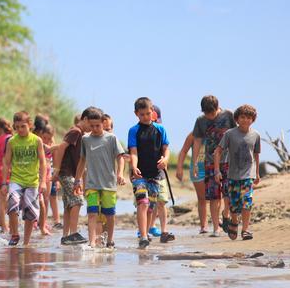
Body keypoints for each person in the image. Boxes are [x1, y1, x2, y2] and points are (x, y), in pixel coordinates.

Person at [75, 108, 126, 248]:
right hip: (91, 184)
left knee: (109, 214)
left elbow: (120, 158)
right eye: (92, 126)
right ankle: (92, 242)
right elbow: (82, 161)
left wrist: (120, 173)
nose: (95, 129)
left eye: (97, 125)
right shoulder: (85, 139)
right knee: (92, 213)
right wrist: (77, 180)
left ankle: (110, 240)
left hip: (109, 184)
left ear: (103, 123)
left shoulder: (111, 138)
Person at [127, 97, 174, 249]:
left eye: (148, 113)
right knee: (142, 203)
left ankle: (146, 234)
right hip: (139, 175)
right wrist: (134, 167)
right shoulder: (133, 131)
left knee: (151, 207)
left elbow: (166, 149)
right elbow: (133, 152)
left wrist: (166, 160)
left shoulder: (161, 130)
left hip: (155, 175)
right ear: (136, 114)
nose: (146, 117)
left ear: (152, 111)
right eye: (142, 114)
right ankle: (143, 236)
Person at [213, 104, 261, 241]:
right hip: (232, 175)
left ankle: (245, 229)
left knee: (247, 202)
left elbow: (256, 154)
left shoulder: (256, 135)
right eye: (243, 117)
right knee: (234, 204)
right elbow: (217, 152)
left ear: (253, 119)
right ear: (237, 119)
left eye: (249, 118)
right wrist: (217, 170)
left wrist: (257, 173)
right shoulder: (230, 134)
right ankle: (234, 222)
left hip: (248, 175)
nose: (245, 120)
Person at [190, 95, 236, 237]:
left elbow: (237, 134)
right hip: (209, 162)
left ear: (217, 108)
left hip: (229, 161)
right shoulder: (200, 121)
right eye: (206, 114)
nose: (210, 116)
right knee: (214, 196)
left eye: (212, 113)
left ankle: (226, 214)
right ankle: (216, 228)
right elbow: (197, 141)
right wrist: (195, 163)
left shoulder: (228, 115)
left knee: (228, 193)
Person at [3, 111, 49, 246]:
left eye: (23, 126)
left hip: (32, 181)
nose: (20, 130)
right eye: (17, 127)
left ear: (30, 125)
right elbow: (6, 162)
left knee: (30, 212)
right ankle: (15, 234)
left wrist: (43, 181)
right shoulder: (12, 141)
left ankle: (26, 243)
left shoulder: (37, 140)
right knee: (13, 204)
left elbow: (42, 162)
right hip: (16, 180)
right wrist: (4, 183)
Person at [55, 108, 91, 245]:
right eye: (91, 125)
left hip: (71, 173)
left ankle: (65, 236)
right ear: (85, 120)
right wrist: (56, 170)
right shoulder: (76, 131)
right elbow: (62, 147)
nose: (91, 129)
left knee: (69, 205)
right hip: (67, 172)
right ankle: (73, 233)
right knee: (77, 201)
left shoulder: (79, 133)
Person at [174, 131, 207, 233]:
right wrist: (179, 168)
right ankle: (203, 226)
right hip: (197, 170)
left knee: (217, 197)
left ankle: (218, 221)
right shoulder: (193, 134)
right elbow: (184, 151)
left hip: (213, 168)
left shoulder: (217, 132)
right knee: (202, 198)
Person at [32, 117, 56, 236]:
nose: (46, 140)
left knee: (46, 198)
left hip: (49, 173)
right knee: (38, 197)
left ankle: (44, 221)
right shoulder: (39, 143)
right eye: (44, 137)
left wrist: (56, 177)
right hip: (39, 172)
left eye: (48, 138)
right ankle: (35, 221)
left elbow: (56, 161)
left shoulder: (52, 145)